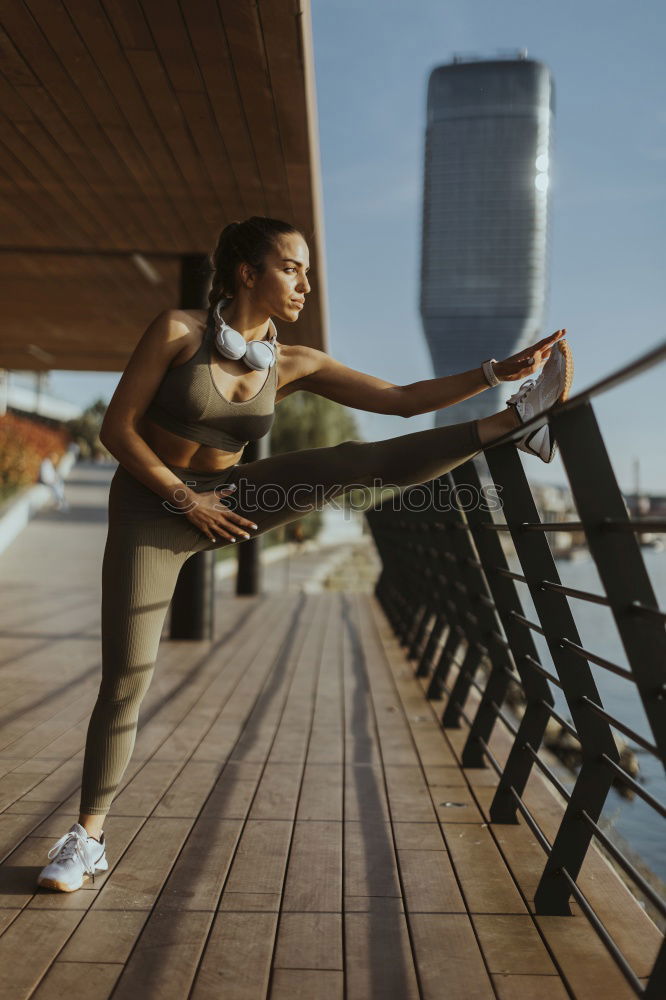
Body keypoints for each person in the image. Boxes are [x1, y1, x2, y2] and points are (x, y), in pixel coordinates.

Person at [36, 216, 573, 892]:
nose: (306, 284)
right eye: (292, 267)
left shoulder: (293, 363)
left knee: (351, 462)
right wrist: (184, 500)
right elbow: (118, 429)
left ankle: (514, 422)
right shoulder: (177, 332)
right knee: (126, 678)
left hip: (232, 497)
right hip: (154, 505)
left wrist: (498, 372)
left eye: (307, 271)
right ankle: (87, 838)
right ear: (247, 272)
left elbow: (403, 402)